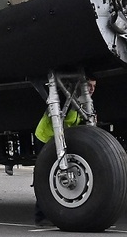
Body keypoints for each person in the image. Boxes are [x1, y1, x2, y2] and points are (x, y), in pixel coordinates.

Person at [32, 76, 94, 227]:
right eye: (89, 85)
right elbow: (53, 115)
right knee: (46, 176)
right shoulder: (66, 98)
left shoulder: (84, 101)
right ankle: (40, 216)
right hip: (46, 138)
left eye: (94, 86)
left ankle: (63, 210)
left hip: (62, 140)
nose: (91, 89)